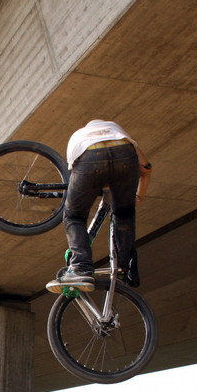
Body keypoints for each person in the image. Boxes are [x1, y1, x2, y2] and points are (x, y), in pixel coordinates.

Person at [47, 119, 152, 292]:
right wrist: (138, 196)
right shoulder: (118, 132)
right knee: (124, 213)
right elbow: (146, 168)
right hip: (125, 155)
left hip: (89, 157)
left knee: (74, 216)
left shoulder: (80, 135)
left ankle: (81, 267)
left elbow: (77, 173)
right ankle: (123, 265)